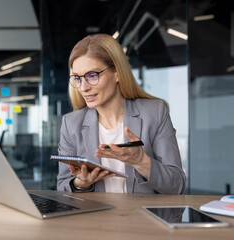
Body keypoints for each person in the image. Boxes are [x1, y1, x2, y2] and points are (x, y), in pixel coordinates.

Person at [56, 33, 186, 194]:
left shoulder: (155, 113)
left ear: (117, 72)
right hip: (93, 218)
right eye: (78, 78)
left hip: (142, 217)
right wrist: (80, 183)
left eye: (92, 76)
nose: (83, 88)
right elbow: (62, 186)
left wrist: (141, 161)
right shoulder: (71, 123)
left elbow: (177, 186)